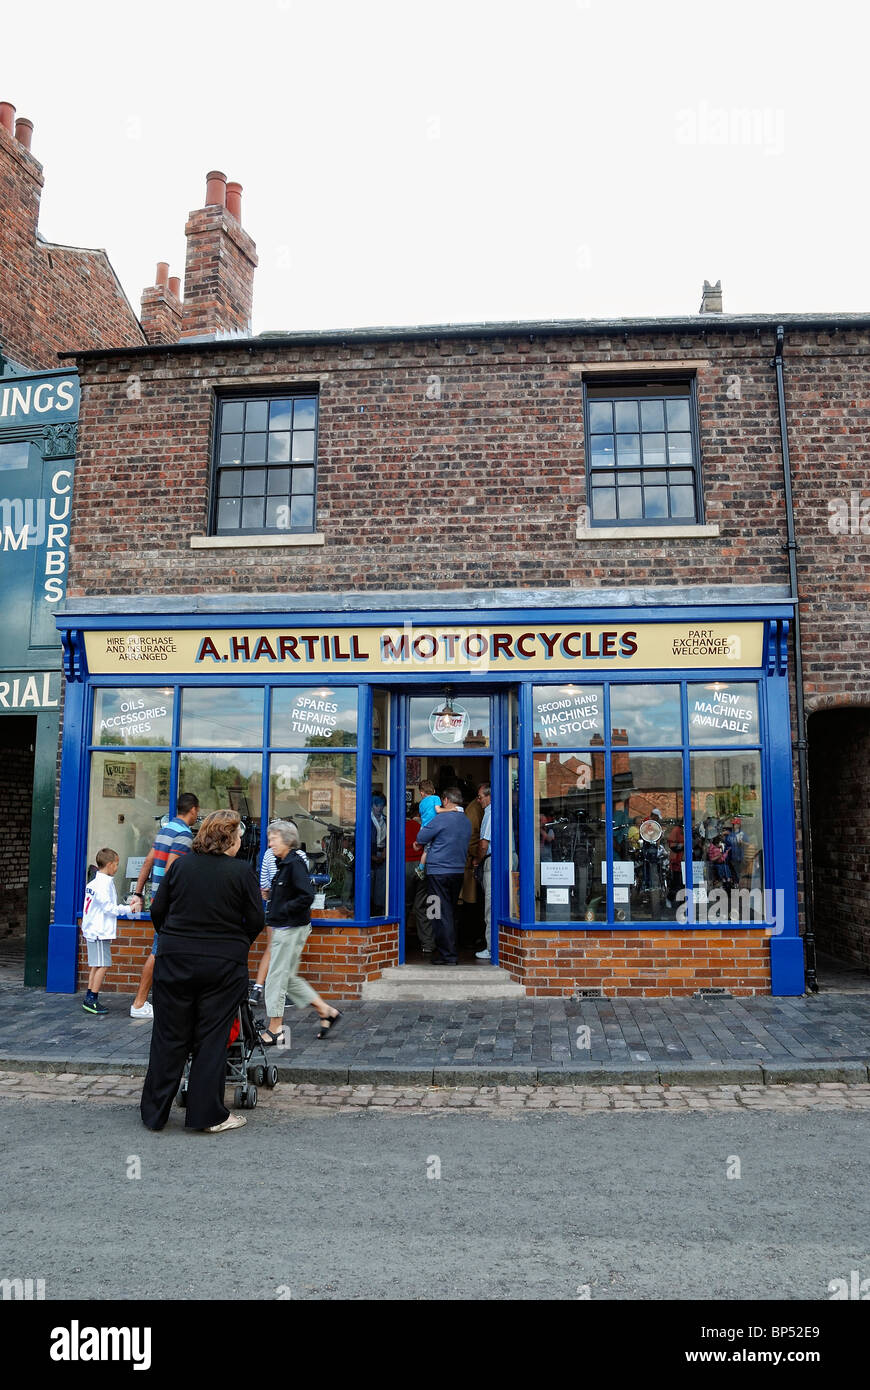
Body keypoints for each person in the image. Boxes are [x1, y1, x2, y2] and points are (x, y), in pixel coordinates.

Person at [140, 810, 265, 1134]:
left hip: (174, 961)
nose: (240, 841)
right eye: (238, 836)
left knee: (169, 1036)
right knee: (212, 1039)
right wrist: (237, 944)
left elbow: (157, 909)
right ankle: (206, 1115)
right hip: (222, 967)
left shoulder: (181, 865)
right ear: (229, 839)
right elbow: (255, 920)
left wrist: (171, 938)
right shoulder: (242, 872)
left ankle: (154, 1113)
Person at [259, 820, 341, 1045]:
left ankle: (276, 1029)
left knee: (276, 978)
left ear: (286, 840)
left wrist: (283, 909)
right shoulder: (284, 861)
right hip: (288, 926)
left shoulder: (294, 863)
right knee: (288, 978)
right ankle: (326, 1011)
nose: (270, 843)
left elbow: (306, 896)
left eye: (273, 839)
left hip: (290, 928)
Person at [128, 793, 200, 1020]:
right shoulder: (184, 835)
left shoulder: (166, 830)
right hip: (171, 903)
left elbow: (149, 861)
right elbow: (172, 869)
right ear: (194, 810)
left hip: (159, 900)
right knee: (158, 951)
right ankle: (139, 1003)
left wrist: (138, 893)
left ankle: (174, 999)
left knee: (171, 950)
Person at [248, 822, 310, 1008]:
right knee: (281, 962)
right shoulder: (300, 858)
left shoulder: (280, 858)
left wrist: (275, 899)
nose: (270, 844)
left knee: (273, 952)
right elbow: (305, 889)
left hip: (279, 914)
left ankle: (258, 989)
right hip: (283, 917)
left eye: (273, 839)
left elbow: (264, 885)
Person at [414, 786, 471, 965]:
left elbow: (422, 836)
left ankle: (447, 954)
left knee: (437, 912)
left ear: (445, 800)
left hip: (437, 873)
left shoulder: (441, 818)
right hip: (457, 872)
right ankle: (448, 951)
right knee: (448, 911)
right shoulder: (465, 820)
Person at [81, 847, 137, 1015]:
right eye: (117, 864)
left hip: (93, 929)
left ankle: (90, 996)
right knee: (103, 965)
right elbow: (109, 908)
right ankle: (92, 999)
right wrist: (129, 909)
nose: (117, 867)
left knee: (96, 965)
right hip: (99, 931)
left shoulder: (94, 882)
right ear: (110, 864)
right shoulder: (103, 885)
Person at [473, 783, 493, 961]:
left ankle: (491, 948)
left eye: (480, 797)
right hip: (504, 859)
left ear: (489, 796)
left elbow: (484, 844)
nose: (478, 801)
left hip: (491, 860)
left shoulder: (489, 813)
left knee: (490, 905)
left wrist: (477, 861)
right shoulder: (501, 809)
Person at [370, 793, 387, 915]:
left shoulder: (385, 819)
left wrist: (385, 853)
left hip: (383, 855)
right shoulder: (366, 819)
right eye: (377, 805)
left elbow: (389, 838)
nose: (379, 808)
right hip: (369, 856)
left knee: (380, 890)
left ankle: (378, 914)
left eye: (382, 805)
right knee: (369, 888)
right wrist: (371, 856)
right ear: (372, 805)